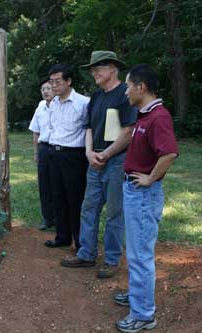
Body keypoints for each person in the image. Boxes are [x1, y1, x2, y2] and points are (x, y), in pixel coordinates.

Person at [60, 51, 136, 279]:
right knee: (89, 208)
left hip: (117, 161)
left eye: (98, 68)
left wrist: (107, 154)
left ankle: (112, 260)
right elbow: (89, 128)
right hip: (95, 159)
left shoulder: (125, 94)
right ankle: (87, 254)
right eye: (92, 69)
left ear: (112, 68)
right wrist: (89, 153)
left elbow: (128, 131)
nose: (94, 72)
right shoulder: (96, 97)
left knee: (114, 212)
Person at [115, 64, 178, 332]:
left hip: (143, 194)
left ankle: (143, 314)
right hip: (134, 191)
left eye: (128, 85)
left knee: (140, 254)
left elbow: (169, 153)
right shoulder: (145, 114)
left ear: (141, 87)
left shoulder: (158, 117)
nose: (126, 91)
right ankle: (138, 296)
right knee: (136, 249)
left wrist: (150, 178)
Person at [43, 64, 89, 249]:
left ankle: (80, 241)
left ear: (69, 81)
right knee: (58, 197)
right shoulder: (53, 103)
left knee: (75, 199)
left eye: (58, 82)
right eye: (51, 82)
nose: (54, 86)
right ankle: (62, 236)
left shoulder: (83, 103)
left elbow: (89, 130)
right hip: (54, 153)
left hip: (74, 157)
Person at [29, 78, 56, 230]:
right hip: (44, 148)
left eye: (48, 88)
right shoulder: (40, 107)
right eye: (43, 89)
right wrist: (36, 152)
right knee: (44, 184)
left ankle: (60, 219)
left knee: (57, 184)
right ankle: (47, 218)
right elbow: (35, 131)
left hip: (58, 148)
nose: (45, 91)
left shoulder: (60, 105)